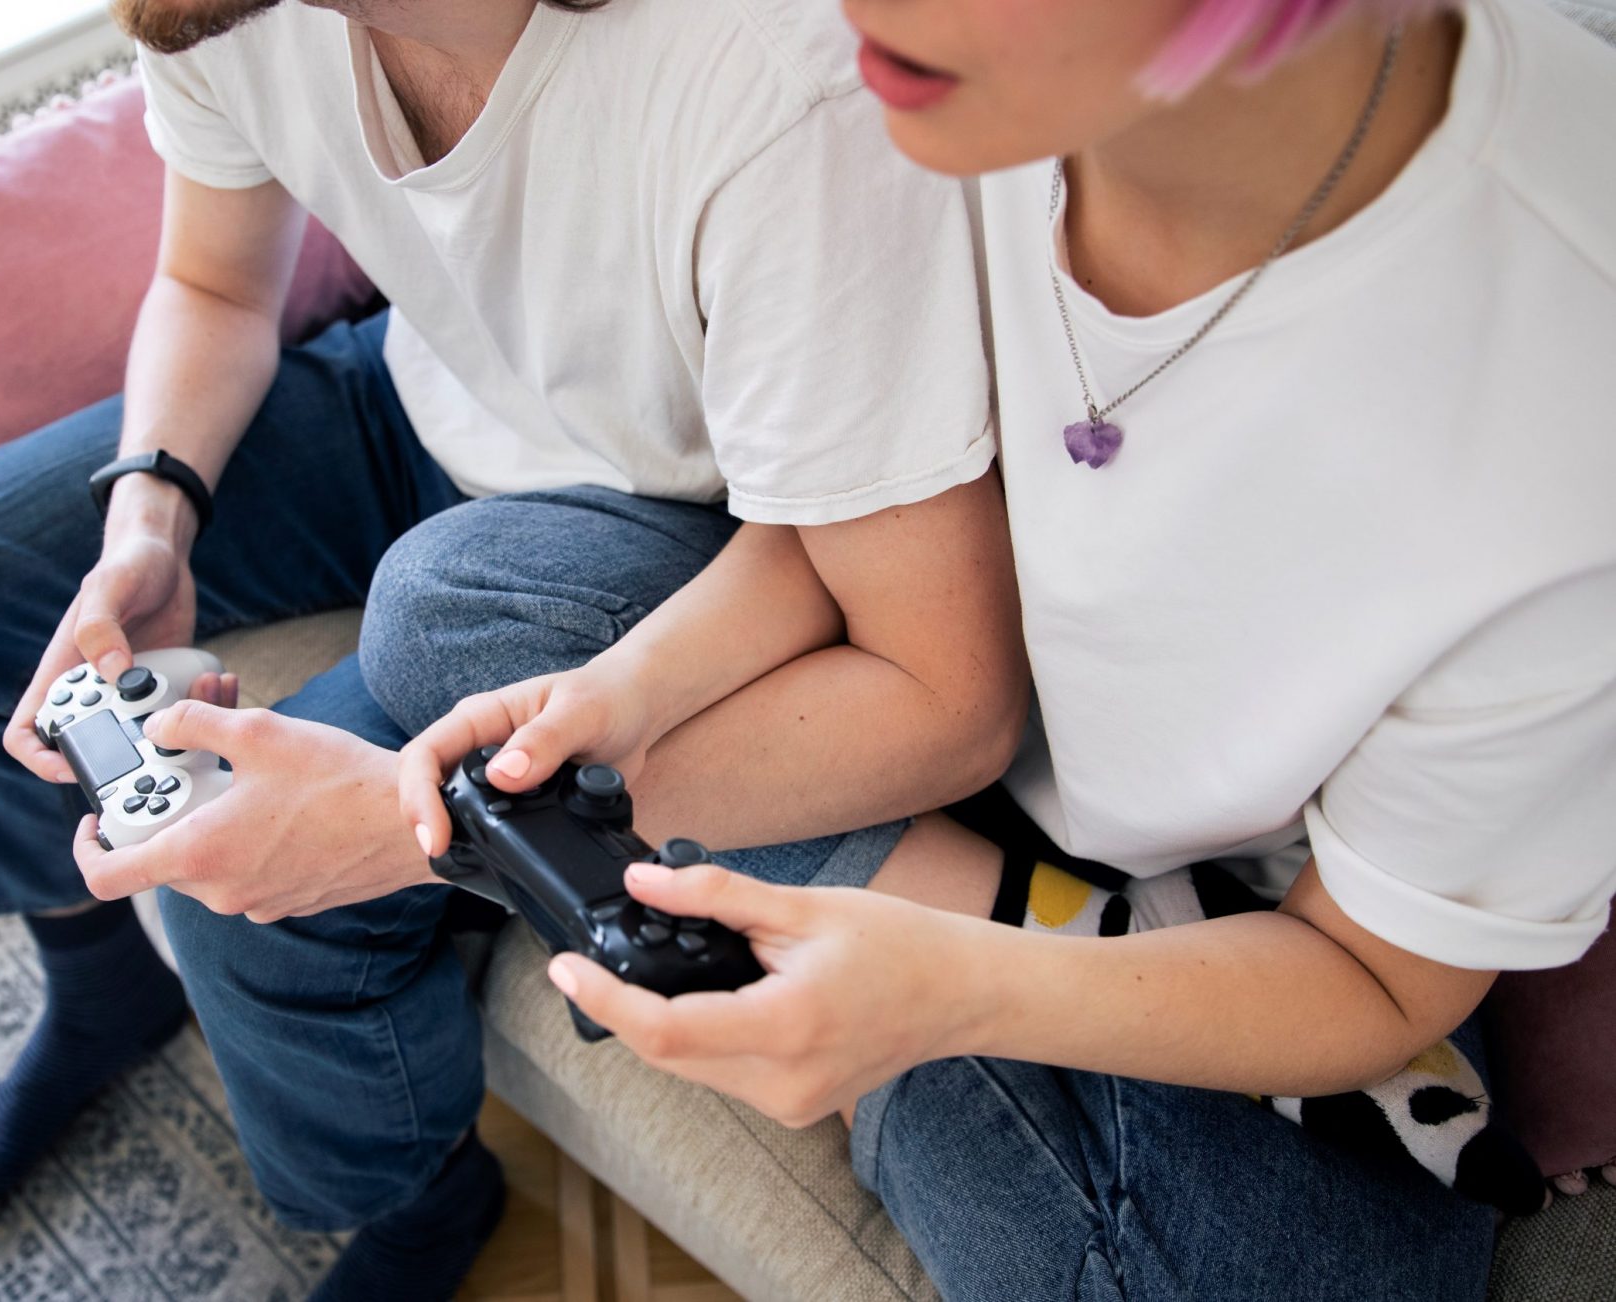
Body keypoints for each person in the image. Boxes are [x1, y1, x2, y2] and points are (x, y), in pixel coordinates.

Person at [394, 0, 1616, 1295]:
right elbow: (849, 515)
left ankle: (925, 983)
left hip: (1262, 909)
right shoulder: (916, 83)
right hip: (925, 692)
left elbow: (1373, 974)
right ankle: (940, 956)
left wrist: (952, 989)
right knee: (455, 607)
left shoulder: (1560, 411)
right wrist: (630, 694)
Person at [0, 0, 1028, 1294]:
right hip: (419, 392)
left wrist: (400, 827)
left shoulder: (765, 82)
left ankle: (419, 1193)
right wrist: (147, 528)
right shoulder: (215, 12)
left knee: (241, 900)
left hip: (667, 524)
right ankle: (101, 984)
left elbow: (948, 695)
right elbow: (213, 282)